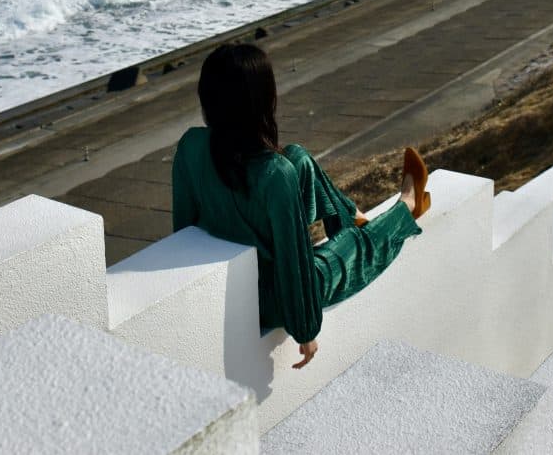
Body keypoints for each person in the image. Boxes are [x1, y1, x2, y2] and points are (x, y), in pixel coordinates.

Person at [171, 41, 430, 370]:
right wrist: (305, 331)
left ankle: (352, 215)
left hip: (235, 277)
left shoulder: (191, 146)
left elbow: (183, 231)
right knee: (357, 246)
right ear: (262, 101)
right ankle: (409, 204)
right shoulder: (273, 175)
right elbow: (294, 262)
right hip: (273, 299)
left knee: (298, 157)